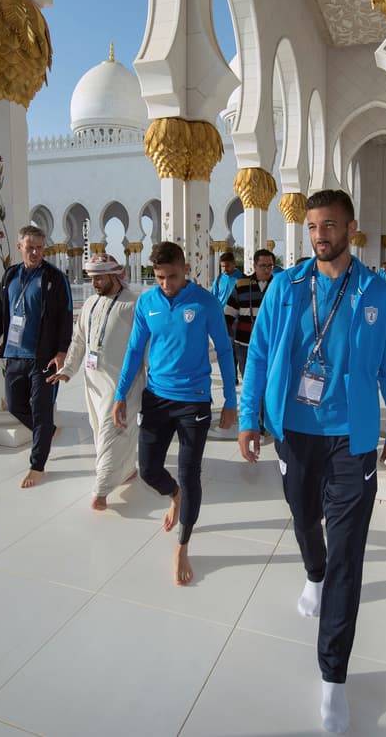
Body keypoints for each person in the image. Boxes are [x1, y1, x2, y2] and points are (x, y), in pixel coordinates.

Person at [237, 189, 386, 734]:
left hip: (351, 440)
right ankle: (312, 571)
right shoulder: (287, 288)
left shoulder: (375, 292)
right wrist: (248, 417)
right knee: (304, 517)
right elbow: (260, 352)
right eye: (311, 227)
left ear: (350, 228)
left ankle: (334, 675)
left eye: (328, 226)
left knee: (348, 555)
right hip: (295, 431)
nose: (318, 236)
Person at [112, 241, 238, 586]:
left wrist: (230, 400)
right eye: (160, 277)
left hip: (194, 401)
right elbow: (135, 349)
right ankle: (175, 495)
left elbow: (225, 352)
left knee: (190, 471)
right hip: (156, 398)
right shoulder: (148, 303)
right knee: (149, 469)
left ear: (186, 271)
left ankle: (183, 545)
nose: (166, 283)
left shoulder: (204, 302)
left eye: (172, 276)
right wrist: (120, 394)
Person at [47, 253, 143, 510]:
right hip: (94, 382)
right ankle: (125, 470)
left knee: (114, 430)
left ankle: (101, 491)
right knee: (100, 431)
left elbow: (145, 345)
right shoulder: (90, 303)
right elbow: (79, 340)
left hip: (124, 382)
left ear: (115, 275)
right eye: (92, 278)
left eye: (100, 278)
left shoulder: (133, 303)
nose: (95, 283)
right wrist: (68, 370)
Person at [0, 225, 73, 489]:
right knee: (14, 406)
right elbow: (0, 312)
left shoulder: (55, 278)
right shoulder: (10, 275)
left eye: (39, 247)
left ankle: (37, 465)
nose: (35, 252)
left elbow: (65, 316)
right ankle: (45, 432)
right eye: (30, 246)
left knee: (43, 412)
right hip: (14, 354)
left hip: (42, 358)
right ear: (19, 247)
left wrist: (61, 351)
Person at [224, 248, 276, 381]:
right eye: (262, 266)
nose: (267, 269)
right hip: (244, 343)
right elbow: (229, 314)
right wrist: (225, 338)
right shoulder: (241, 284)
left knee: (268, 381)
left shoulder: (278, 285)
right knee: (249, 380)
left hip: (271, 343)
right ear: (254, 266)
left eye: (270, 266)